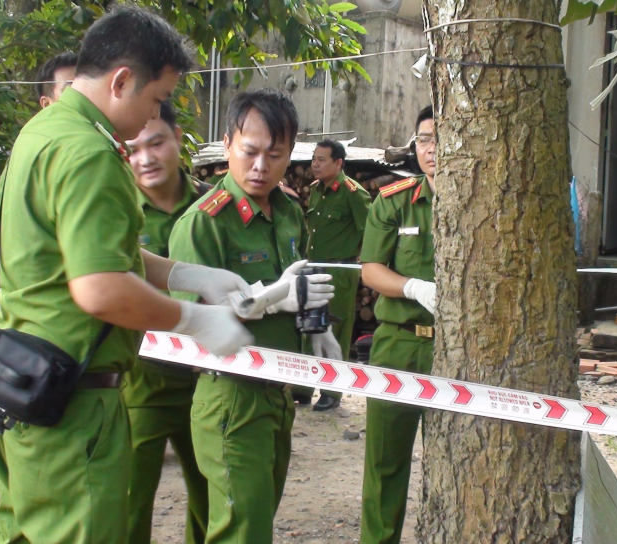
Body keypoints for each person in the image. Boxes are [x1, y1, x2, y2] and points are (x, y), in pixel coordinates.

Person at [0, 8, 252, 543]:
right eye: (155, 100)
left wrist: (186, 273)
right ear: (122, 81)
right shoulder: (89, 152)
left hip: (20, 380)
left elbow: (92, 253)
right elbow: (101, 287)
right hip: (73, 402)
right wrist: (195, 321)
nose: (152, 117)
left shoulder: (44, 130)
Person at [168, 89, 341, 542]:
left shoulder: (288, 213)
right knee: (241, 532)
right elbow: (191, 318)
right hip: (230, 395)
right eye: (249, 152)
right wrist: (270, 298)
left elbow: (300, 276)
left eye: (274, 154)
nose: (260, 166)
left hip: (278, 392)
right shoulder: (205, 222)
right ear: (227, 146)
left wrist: (316, 324)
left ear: (290, 157)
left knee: (256, 522)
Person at [122, 100, 211, 544]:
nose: (144, 158)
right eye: (132, 148)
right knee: (129, 502)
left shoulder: (215, 207)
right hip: (141, 383)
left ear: (178, 139)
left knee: (212, 500)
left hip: (210, 384)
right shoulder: (117, 209)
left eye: (155, 143)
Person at [359, 106, 437, 544]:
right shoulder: (394, 201)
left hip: (458, 351)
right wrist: (413, 289)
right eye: (425, 139)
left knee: (460, 457)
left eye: (442, 138)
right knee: (386, 463)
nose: (433, 149)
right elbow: (371, 269)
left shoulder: (481, 201)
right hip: (398, 346)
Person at [0, 51, 78, 253]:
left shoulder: (119, 148)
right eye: (71, 88)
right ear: (47, 105)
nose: (83, 96)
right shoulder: (29, 157)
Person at [297, 139, 370, 411]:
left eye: (322, 160)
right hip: (312, 267)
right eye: (314, 159)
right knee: (307, 327)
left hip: (339, 272)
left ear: (338, 163)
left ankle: (331, 391)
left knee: (334, 330)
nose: (315, 165)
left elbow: (370, 230)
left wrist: (364, 260)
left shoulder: (353, 193)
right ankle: (302, 387)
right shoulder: (317, 191)